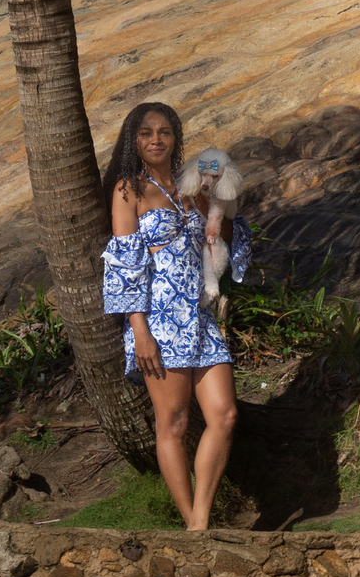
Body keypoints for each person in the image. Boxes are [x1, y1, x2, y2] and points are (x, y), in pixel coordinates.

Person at [101, 101, 251, 532]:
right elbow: (125, 266)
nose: (156, 140)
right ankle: (194, 524)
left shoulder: (192, 186)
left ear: (176, 138)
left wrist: (218, 200)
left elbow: (225, 238)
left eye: (164, 132)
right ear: (133, 140)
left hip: (200, 317)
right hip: (158, 321)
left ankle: (199, 521)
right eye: (146, 133)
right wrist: (140, 333)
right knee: (174, 422)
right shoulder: (128, 190)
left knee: (224, 415)